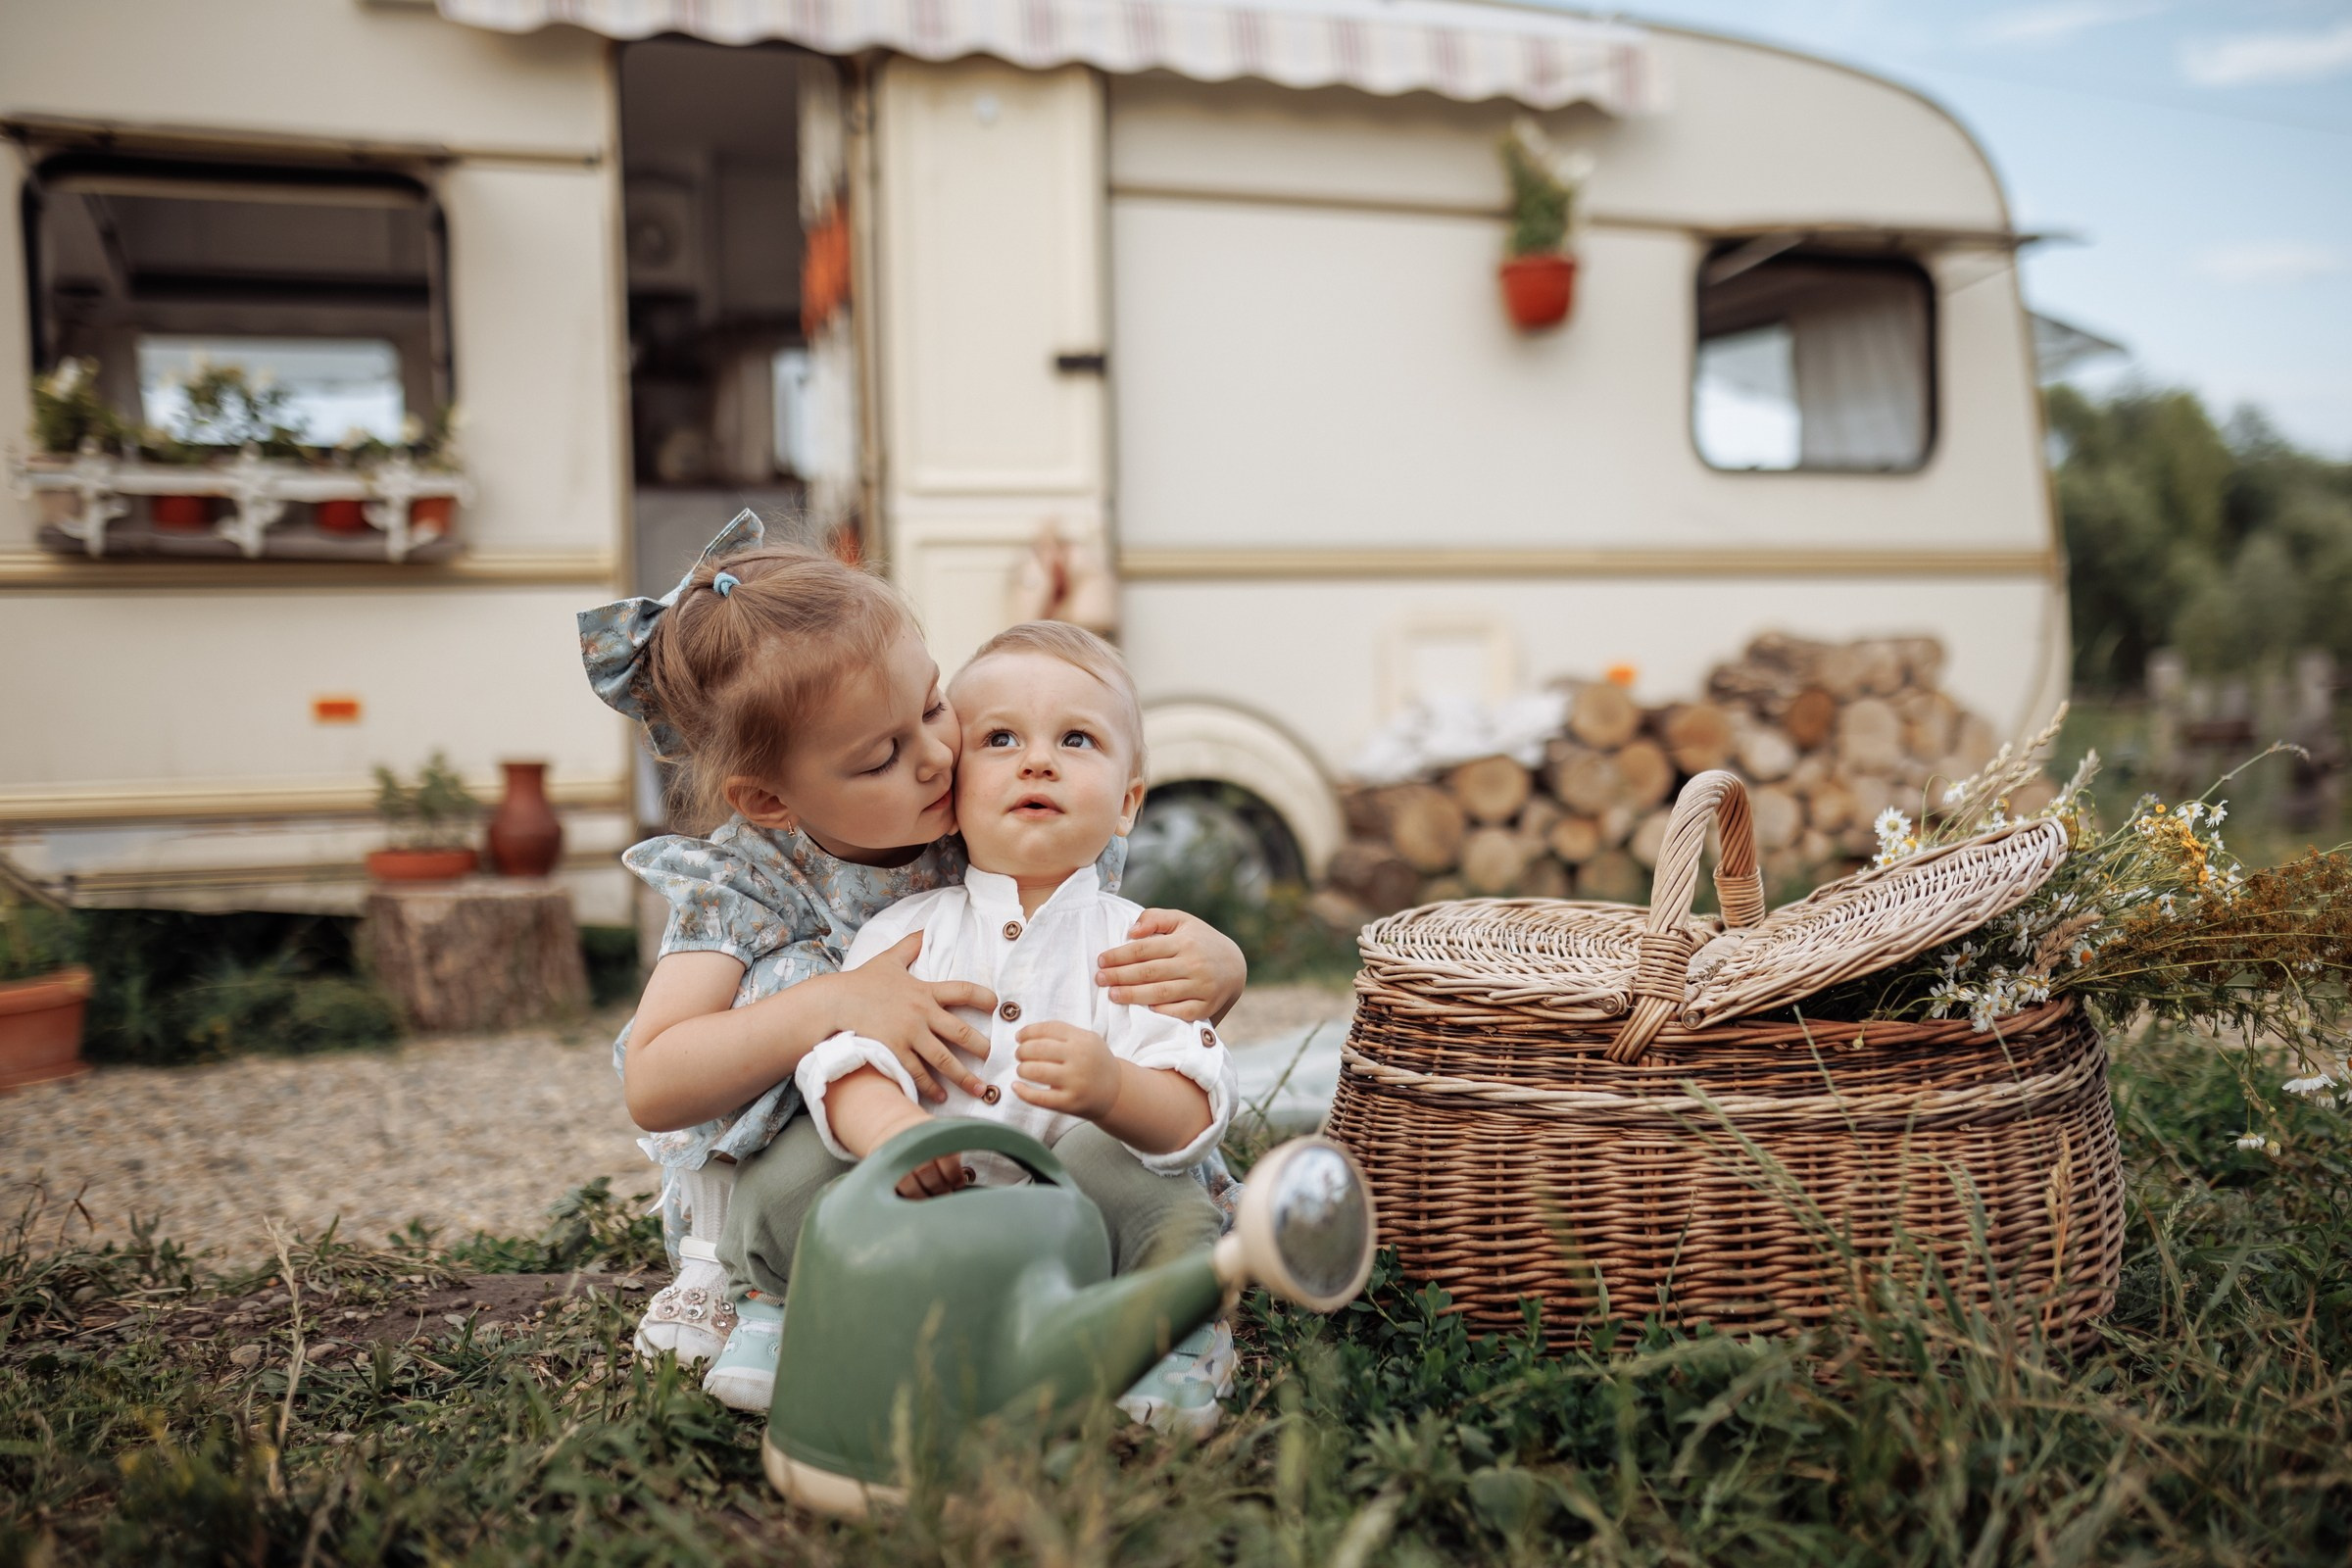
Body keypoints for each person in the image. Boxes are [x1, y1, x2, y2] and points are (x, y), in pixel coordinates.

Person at [577, 513, 1247, 1403]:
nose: (938, 757)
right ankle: (751, 1287)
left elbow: (1108, 961)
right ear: (772, 800)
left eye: (934, 706)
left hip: (1032, 1131)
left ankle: (1145, 1305)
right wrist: (833, 1002)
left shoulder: (990, 808)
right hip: (827, 1144)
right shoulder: (741, 883)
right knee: (799, 1111)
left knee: (1134, 1171)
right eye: (884, 755)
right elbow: (655, 1082)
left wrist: (1223, 966)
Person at [710, 621, 1240, 1427]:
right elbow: (844, 1057)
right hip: (925, 1206)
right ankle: (780, 1306)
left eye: (1077, 738)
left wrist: (1114, 1089)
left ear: (1128, 801)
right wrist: (893, 1134)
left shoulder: (1141, 945)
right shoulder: (908, 930)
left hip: (1077, 1221)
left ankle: (1171, 1335)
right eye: (999, 738)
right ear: (952, 791)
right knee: (792, 1163)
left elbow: (1196, 1107)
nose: (1038, 760)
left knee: (1161, 1195)